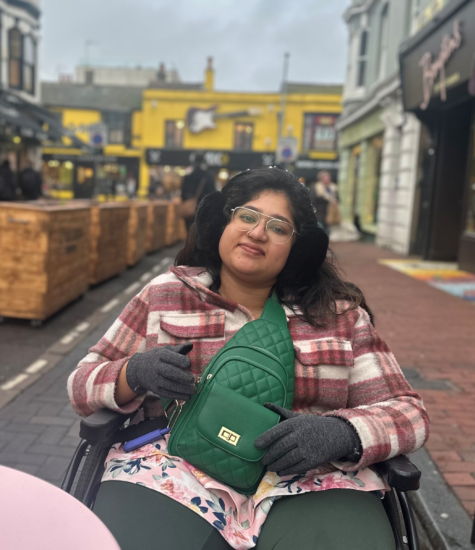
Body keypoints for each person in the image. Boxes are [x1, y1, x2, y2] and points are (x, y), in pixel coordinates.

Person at [68, 168, 429, 550]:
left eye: (278, 227)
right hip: (175, 468)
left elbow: (409, 413)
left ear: (297, 248)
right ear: (221, 223)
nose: (257, 233)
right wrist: (135, 372)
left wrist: (342, 434)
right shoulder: (165, 294)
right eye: (247, 216)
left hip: (312, 479)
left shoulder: (339, 317)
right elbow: (81, 384)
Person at [181, 153, 216, 230]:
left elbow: (183, 192)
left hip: (189, 207)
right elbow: (212, 192)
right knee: (201, 230)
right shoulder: (208, 175)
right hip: (204, 207)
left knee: (189, 229)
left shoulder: (188, 174)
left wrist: (186, 201)